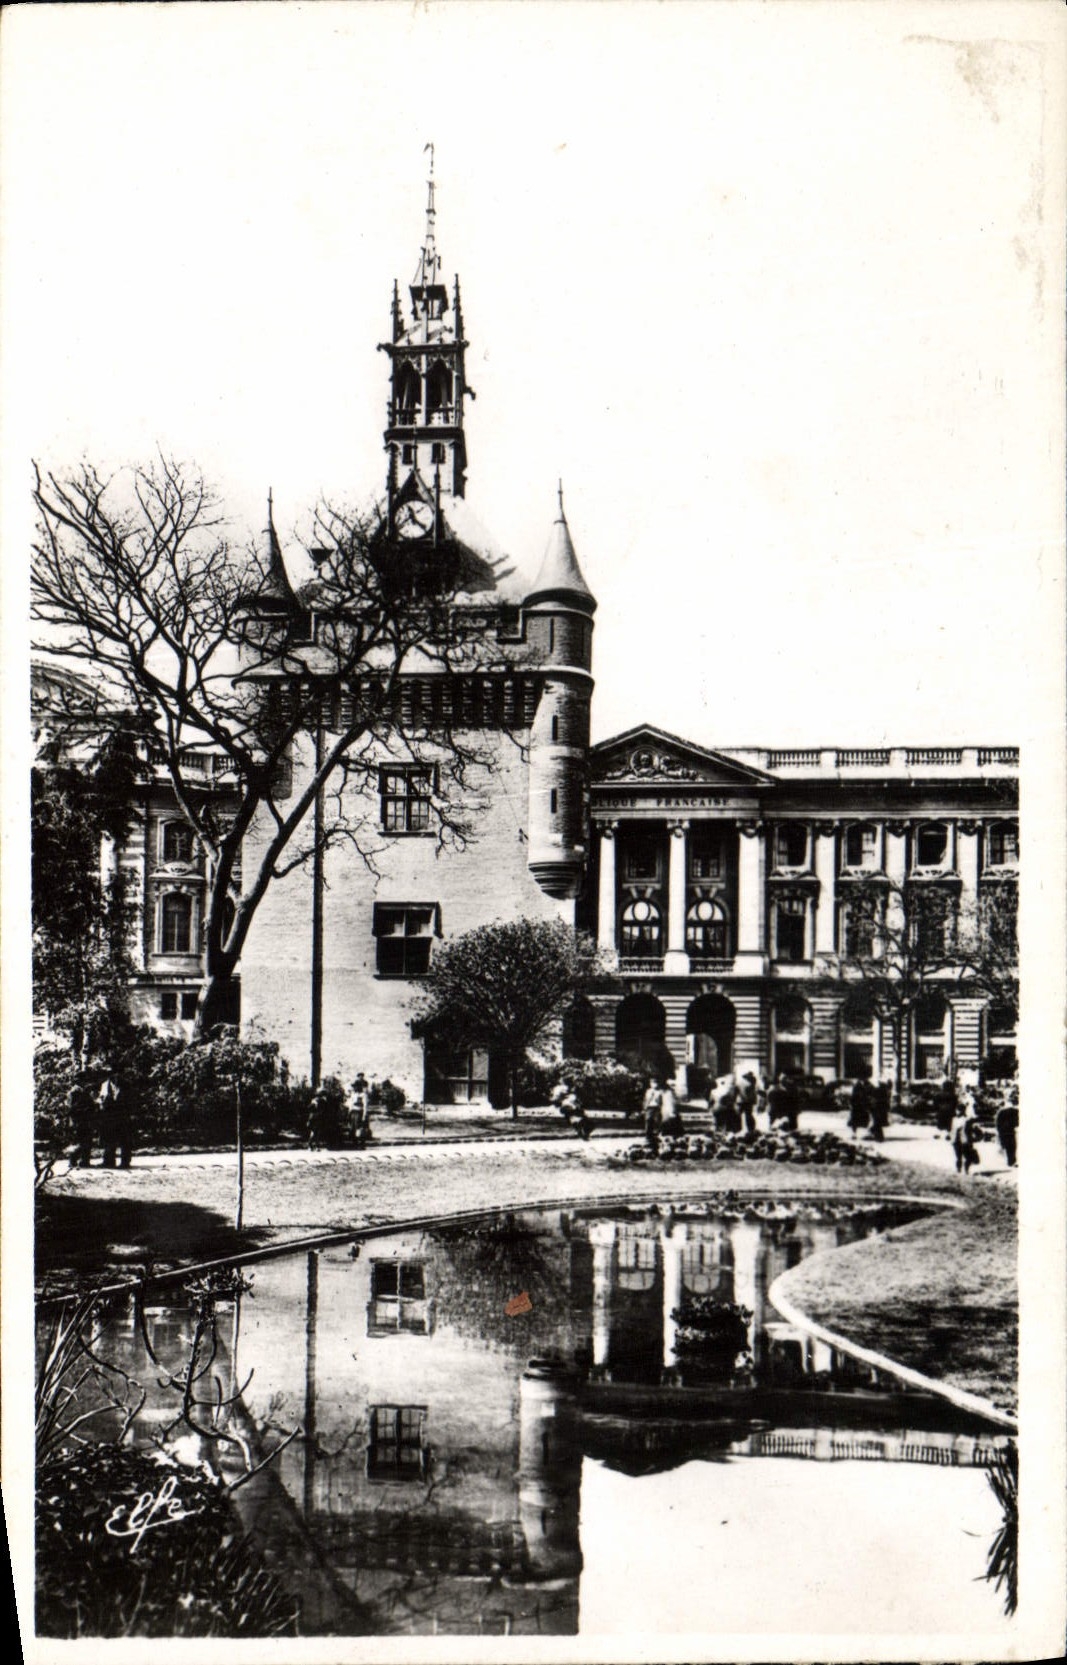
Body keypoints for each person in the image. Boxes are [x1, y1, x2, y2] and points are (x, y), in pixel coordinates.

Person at [98, 1074, 133, 1169]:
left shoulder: (126, 1084)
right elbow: (101, 1099)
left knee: (124, 1141)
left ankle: (125, 1162)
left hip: (123, 1116)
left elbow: (131, 1101)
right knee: (109, 1140)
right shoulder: (105, 1085)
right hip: (109, 1117)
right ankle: (108, 1161)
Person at [68, 1072, 97, 1168]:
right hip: (79, 1121)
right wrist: (86, 1109)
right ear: (79, 1081)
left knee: (87, 1141)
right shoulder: (74, 1092)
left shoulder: (84, 1092)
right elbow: (72, 1108)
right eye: (84, 1080)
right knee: (79, 1142)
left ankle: (84, 1162)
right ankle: (73, 1161)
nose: (86, 1082)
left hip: (85, 1120)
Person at [950, 1104, 978, 1174]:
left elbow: (972, 1129)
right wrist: (951, 1137)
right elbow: (952, 1130)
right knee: (958, 1157)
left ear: (963, 1111)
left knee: (968, 1157)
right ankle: (958, 1170)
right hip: (956, 1141)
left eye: (959, 1110)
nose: (957, 1112)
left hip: (965, 1141)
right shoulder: (954, 1119)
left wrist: (973, 1138)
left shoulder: (967, 1120)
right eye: (957, 1110)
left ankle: (966, 1169)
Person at [347, 1074, 372, 1147]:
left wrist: (364, 1115)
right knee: (353, 1128)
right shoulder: (353, 1095)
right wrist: (349, 1112)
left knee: (360, 1128)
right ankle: (354, 1143)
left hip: (359, 1112)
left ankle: (361, 1143)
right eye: (354, 1087)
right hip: (353, 1112)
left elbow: (365, 1106)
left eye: (355, 1087)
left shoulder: (363, 1095)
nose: (354, 1088)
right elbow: (350, 1104)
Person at [642, 1078, 664, 1155]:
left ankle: (657, 1135)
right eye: (652, 1083)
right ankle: (648, 1135)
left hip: (657, 1107)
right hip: (649, 1107)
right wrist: (644, 1108)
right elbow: (645, 1100)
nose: (654, 1084)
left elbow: (661, 1101)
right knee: (648, 1120)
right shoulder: (648, 1091)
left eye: (655, 1083)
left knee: (657, 1121)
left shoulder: (660, 1092)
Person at [847, 1075, 871, 1141]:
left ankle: (867, 1133)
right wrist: (852, 1104)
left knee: (865, 1120)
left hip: (863, 1105)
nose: (864, 1079)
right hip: (857, 1106)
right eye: (863, 1078)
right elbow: (853, 1096)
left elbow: (870, 1093)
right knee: (854, 1121)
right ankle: (854, 1134)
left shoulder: (868, 1085)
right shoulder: (857, 1086)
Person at [995, 1102, 1018, 1167]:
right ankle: (1011, 1161)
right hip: (1008, 1132)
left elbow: (997, 1124)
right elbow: (1016, 1122)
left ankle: (1011, 1161)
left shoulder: (1001, 1112)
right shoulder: (1014, 1111)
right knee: (1011, 1147)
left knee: (1009, 1147)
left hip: (1005, 1132)